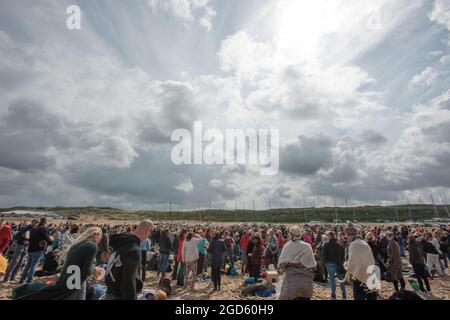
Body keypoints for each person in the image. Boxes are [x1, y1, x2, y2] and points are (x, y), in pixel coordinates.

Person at [15, 227, 103, 300]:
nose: (100, 239)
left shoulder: (78, 244)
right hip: (76, 281)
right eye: (100, 236)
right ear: (96, 235)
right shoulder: (92, 246)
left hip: (67, 278)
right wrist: (95, 269)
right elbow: (86, 271)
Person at [104, 220, 153, 300]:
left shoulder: (123, 242)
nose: (150, 234)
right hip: (118, 295)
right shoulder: (133, 250)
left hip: (110, 291)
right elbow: (128, 283)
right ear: (147, 230)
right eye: (151, 231)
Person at [277, 226, 317, 300]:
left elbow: (280, 264)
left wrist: (281, 270)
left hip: (291, 281)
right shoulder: (307, 246)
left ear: (290, 235)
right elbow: (313, 264)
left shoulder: (287, 246)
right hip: (306, 280)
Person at [20, 218, 53, 284]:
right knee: (33, 266)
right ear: (45, 222)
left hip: (30, 249)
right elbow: (48, 240)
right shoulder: (42, 229)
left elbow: (28, 238)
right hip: (37, 250)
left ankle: (22, 279)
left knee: (28, 265)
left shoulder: (33, 229)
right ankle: (29, 281)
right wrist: (50, 240)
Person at [321, 231, 346, 300]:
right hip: (338, 264)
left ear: (329, 236)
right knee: (341, 280)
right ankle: (344, 294)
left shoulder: (326, 244)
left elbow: (323, 256)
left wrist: (323, 265)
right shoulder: (339, 245)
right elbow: (343, 256)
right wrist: (341, 263)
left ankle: (333, 295)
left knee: (332, 280)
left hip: (329, 264)